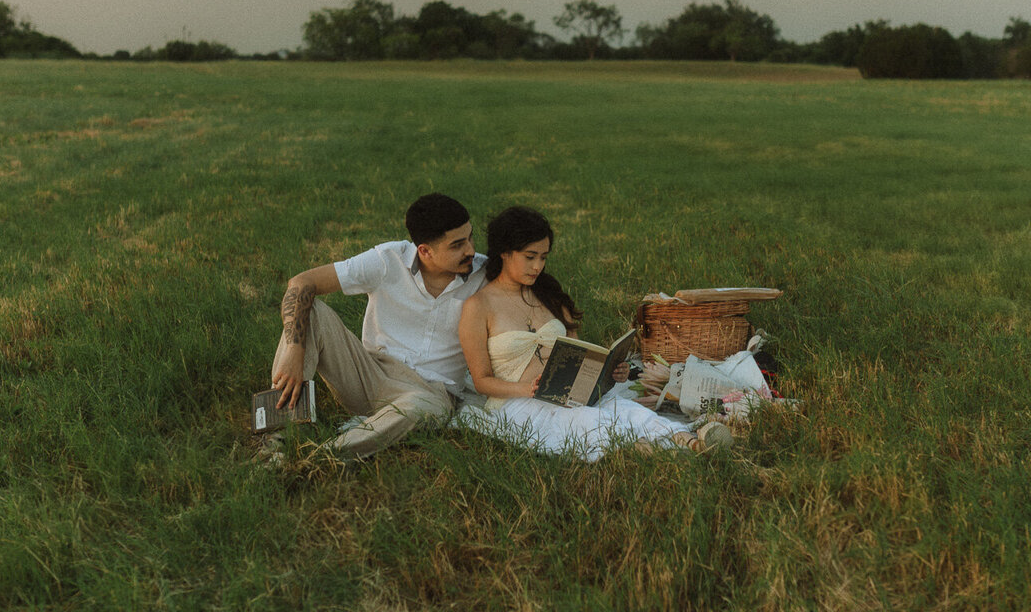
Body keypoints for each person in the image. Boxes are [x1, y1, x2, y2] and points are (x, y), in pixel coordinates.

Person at [457, 206, 731, 460]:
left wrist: (610, 371)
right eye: (529, 257)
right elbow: (481, 381)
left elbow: (576, 352)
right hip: (517, 402)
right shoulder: (478, 306)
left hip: (569, 393)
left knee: (625, 410)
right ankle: (659, 453)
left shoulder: (547, 293)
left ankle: (691, 441)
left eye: (543, 257)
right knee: (585, 422)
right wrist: (526, 389)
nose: (538, 267)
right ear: (504, 252)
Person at [268, 193, 487, 458]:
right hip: (370, 373)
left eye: (471, 237)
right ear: (425, 251)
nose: (471, 250)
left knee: (425, 408)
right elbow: (301, 283)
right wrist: (294, 350)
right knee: (310, 311)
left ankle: (324, 457)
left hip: (430, 393)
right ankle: (276, 435)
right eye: (457, 245)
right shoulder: (388, 259)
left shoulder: (483, 275)